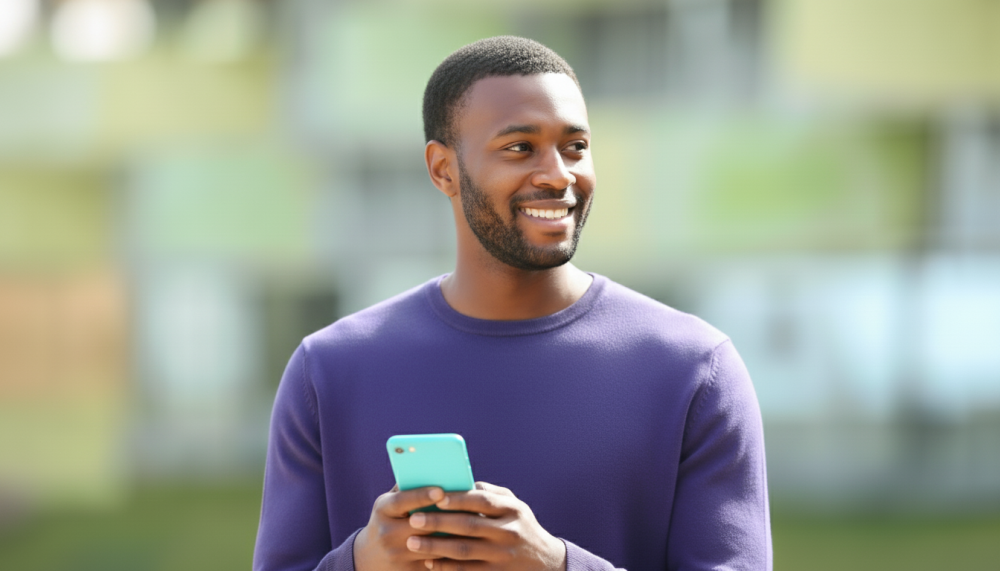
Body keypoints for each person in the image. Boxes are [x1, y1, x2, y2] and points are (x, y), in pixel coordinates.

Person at [253, 36, 771, 571]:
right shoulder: (331, 371)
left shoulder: (693, 370)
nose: (558, 175)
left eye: (574, 147)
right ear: (442, 169)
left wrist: (557, 565)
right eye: (520, 147)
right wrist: (361, 561)